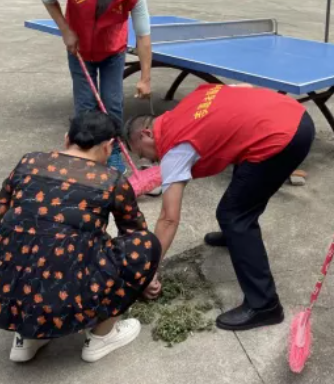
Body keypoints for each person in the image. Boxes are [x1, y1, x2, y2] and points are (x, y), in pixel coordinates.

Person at [124, 84, 315, 331]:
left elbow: (168, 219)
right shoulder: (190, 102)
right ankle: (235, 239)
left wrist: (149, 270)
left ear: (146, 134)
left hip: (282, 137)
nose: (147, 161)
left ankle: (264, 305)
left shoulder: (174, 149)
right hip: (291, 113)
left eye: (142, 153)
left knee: (234, 216)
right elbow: (236, 96)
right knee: (242, 194)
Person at [0, 111, 161, 363]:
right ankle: (101, 338)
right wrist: (148, 277)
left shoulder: (29, 162)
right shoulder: (113, 181)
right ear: (109, 147)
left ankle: (27, 337)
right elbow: (135, 235)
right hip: (66, 304)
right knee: (145, 243)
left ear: (67, 139)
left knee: (29, 243)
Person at [40, 0, 153, 173]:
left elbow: (143, 35)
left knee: (112, 103)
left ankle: (114, 152)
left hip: (113, 50)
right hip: (79, 48)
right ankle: (84, 156)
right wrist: (65, 30)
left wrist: (145, 78)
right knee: (85, 106)